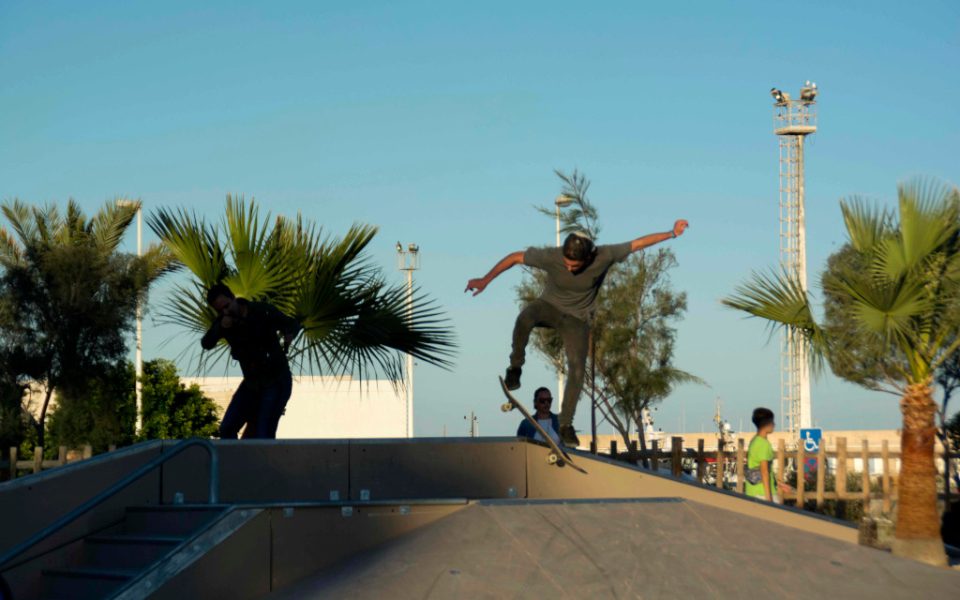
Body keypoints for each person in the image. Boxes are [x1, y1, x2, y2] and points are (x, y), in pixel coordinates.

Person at [466, 219, 688, 447]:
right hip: (549, 308)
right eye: (567, 264)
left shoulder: (604, 255)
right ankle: (515, 368)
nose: (569, 269)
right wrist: (485, 279)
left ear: (588, 257)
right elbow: (514, 257)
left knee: (578, 368)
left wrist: (672, 233)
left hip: (577, 320)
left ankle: (565, 425)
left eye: (575, 266)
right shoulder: (552, 256)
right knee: (524, 317)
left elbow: (638, 243)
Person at [201, 283, 301, 439]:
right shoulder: (223, 321)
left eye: (227, 306)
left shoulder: (261, 311)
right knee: (227, 428)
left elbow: (291, 324)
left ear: (233, 298)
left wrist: (290, 334)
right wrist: (220, 327)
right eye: (220, 310)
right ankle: (237, 461)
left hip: (275, 379)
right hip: (252, 383)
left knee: (264, 432)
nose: (226, 312)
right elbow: (206, 343)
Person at [744, 407, 793, 502]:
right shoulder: (763, 444)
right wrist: (769, 498)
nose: (774, 424)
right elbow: (764, 471)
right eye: (772, 422)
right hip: (762, 493)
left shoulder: (754, 441)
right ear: (767, 424)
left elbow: (757, 468)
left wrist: (779, 484)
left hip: (752, 491)